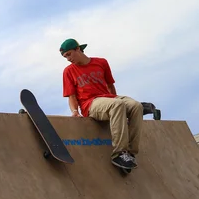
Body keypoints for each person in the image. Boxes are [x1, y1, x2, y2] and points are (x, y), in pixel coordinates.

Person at [60, 38, 143, 171]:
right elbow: (72, 96)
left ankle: (130, 153)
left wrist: (122, 110)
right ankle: (119, 154)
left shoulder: (101, 62)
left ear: (78, 49)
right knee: (117, 105)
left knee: (136, 106)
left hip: (109, 98)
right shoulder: (69, 71)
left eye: (69, 54)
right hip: (90, 104)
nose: (68, 59)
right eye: (65, 57)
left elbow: (110, 86)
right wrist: (75, 111)